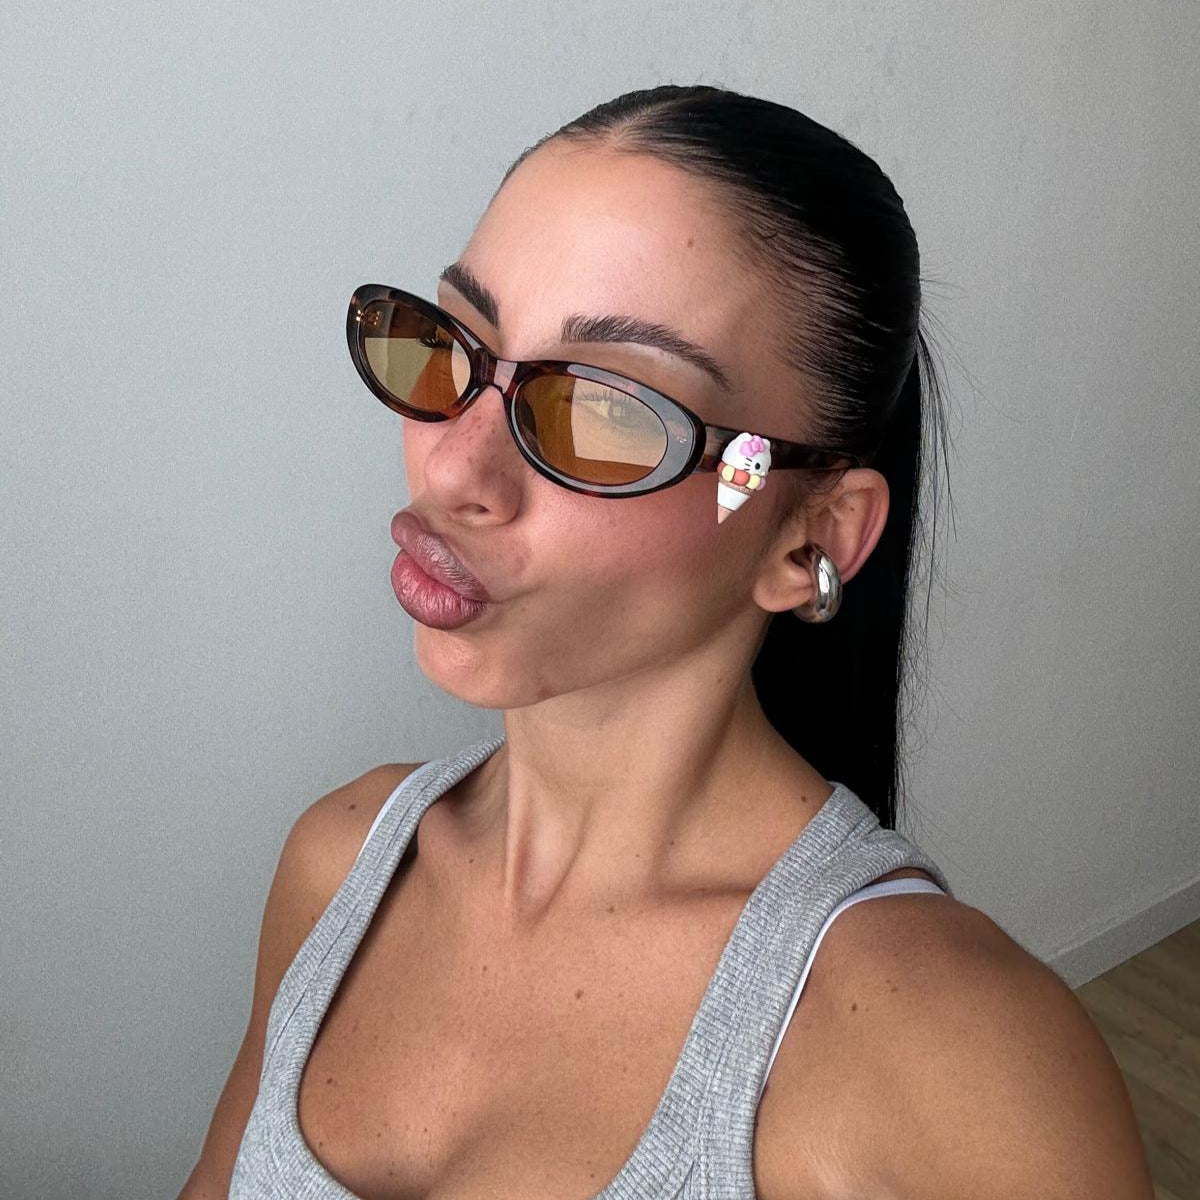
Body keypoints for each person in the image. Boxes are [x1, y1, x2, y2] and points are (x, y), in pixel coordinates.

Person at [178, 85, 1153, 1200]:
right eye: (455, 344)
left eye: (609, 408)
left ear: (811, 535)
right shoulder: (340, 860)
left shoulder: (956, 1062)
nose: (453, 471)